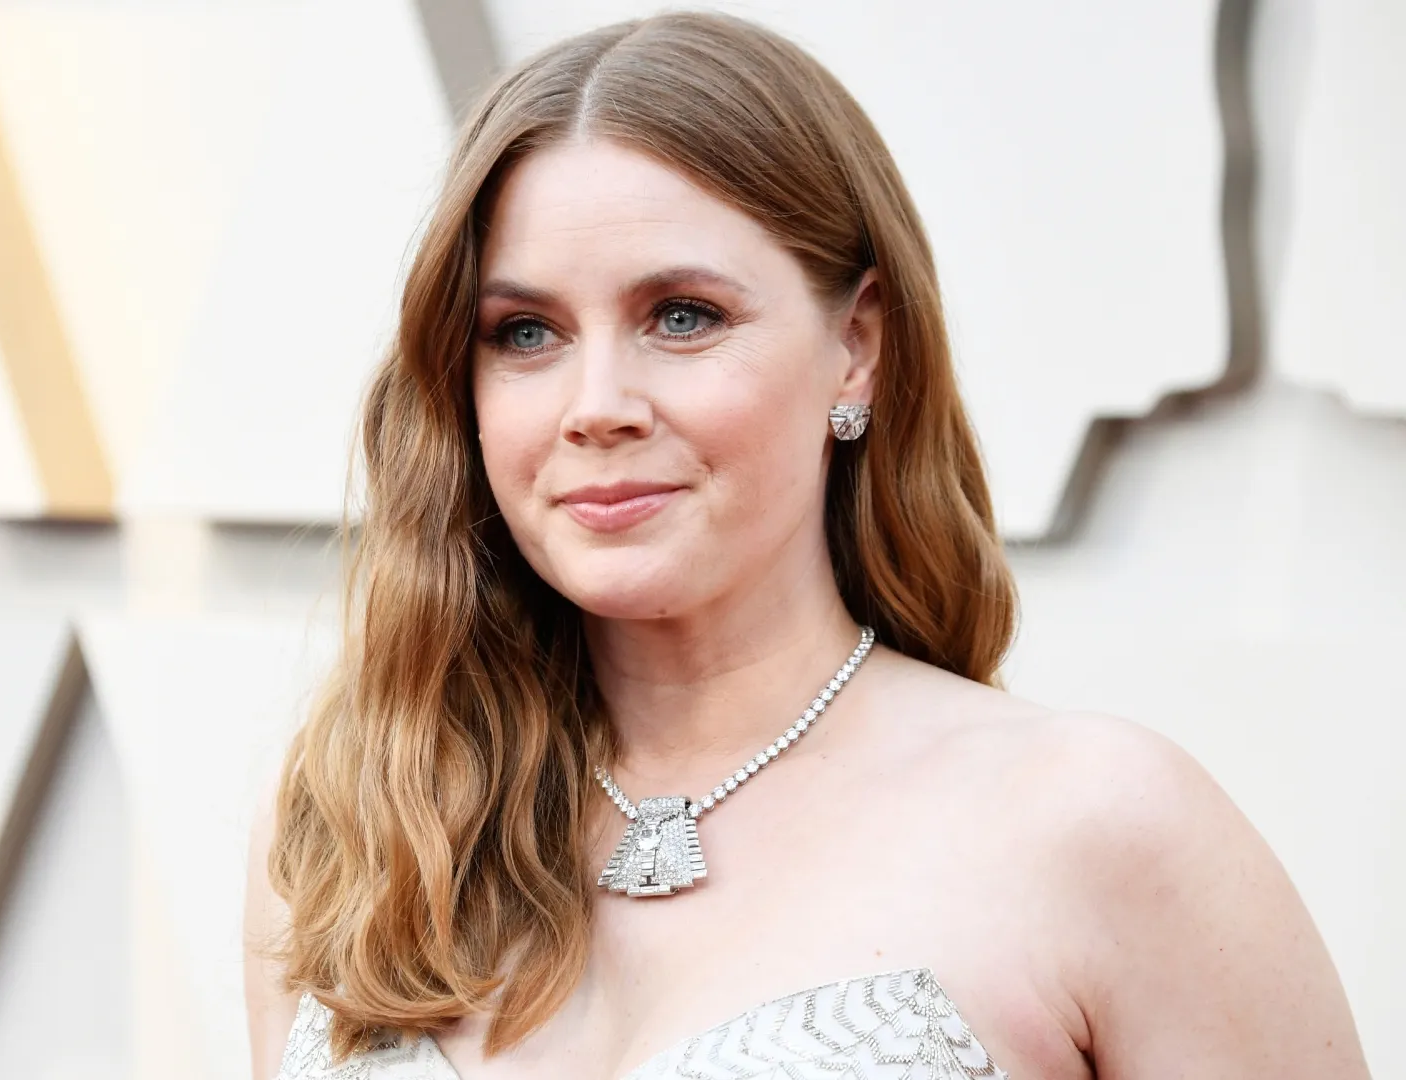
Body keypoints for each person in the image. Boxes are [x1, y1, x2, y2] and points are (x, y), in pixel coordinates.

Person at [244, 12, 1369, 1078]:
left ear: (857, 348)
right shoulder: (353, 835)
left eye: (682, 316)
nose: (597, 407)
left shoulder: (1100, 824)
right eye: (525, 332)